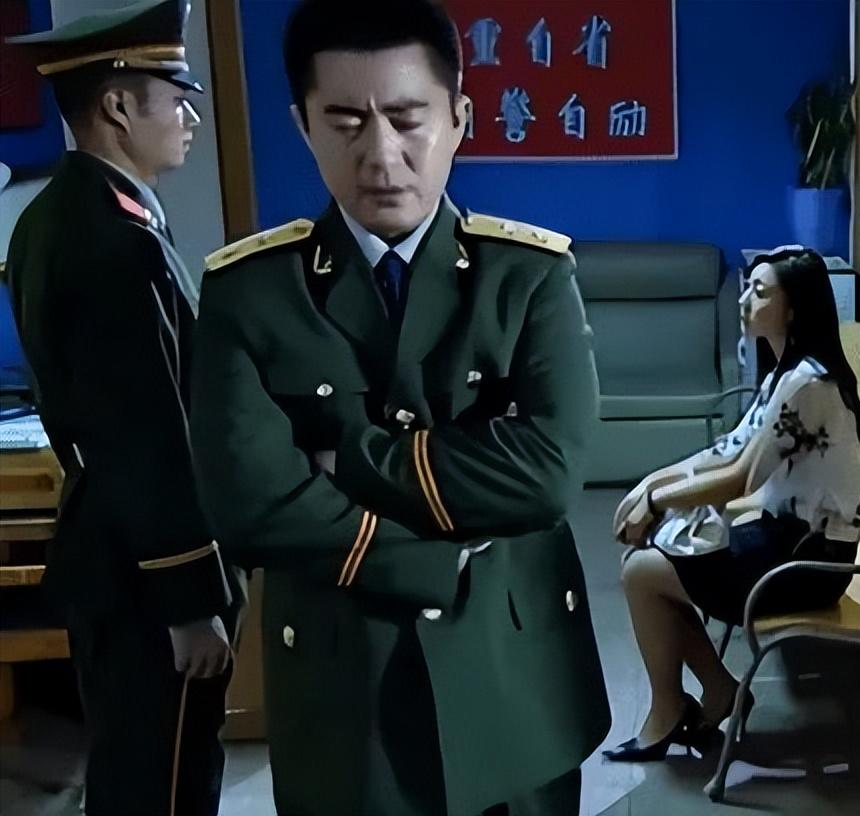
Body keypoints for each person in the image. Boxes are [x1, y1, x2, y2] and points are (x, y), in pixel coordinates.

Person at [188, 1, 609, 814]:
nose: (381, 155)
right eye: (345, 122)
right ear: (303, 125)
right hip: (343, 683)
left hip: (514, 670)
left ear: (458, 120)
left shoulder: (527, 277)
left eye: (408, 119)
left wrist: (342, 457)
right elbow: (250, 505)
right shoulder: (250, 293)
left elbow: (548, 475)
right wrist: (430, 554)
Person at [4, 2, 239, 814]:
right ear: (115, 107)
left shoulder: (53, 216)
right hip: (144, 575)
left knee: (135, 771)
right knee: (164, 782)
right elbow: (145, 436)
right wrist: (191, 601)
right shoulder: (115, 243)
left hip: (109, 548)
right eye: (174, 98)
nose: (190, 119)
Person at [603, 247, 860, 762]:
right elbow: (728, 450)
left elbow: (740, 479)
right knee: (649, 566)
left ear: (793, 309)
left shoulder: (809, 383)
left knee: (642, 572)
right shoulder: (785, 374)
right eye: (747, 287)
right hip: (786, 541)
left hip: (811, 562)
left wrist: (656, 501)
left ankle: (678, 705)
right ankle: (713, 690)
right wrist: (650, 484)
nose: (745, 299)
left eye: (760, 291)